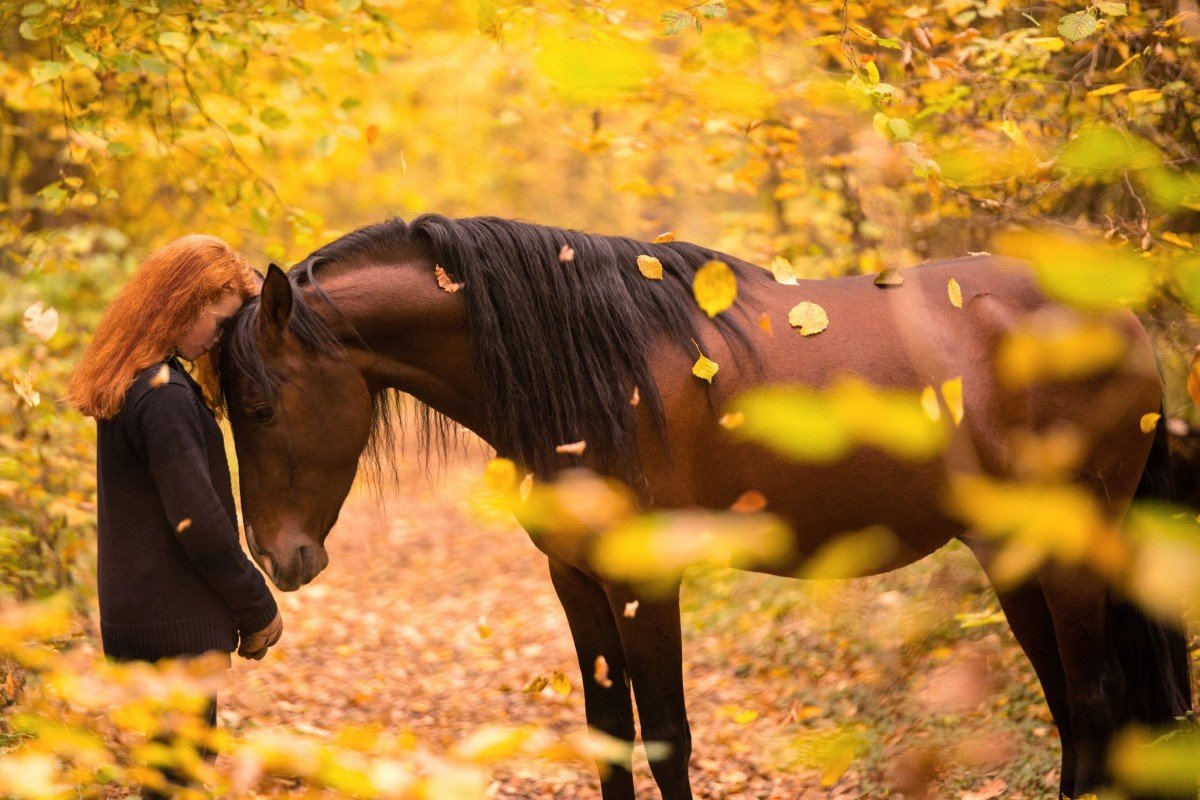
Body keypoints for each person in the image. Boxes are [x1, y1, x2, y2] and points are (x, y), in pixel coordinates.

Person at [67, 234, 282, 795]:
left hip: (145, 615)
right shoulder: (163, 396)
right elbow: (200, 523)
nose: (218, 339)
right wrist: (257, 607)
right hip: (174, 624)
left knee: (170, 773)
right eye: (218, 320)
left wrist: (247, 284)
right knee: (176, 780)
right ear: (182, 305)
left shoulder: (139, 381)